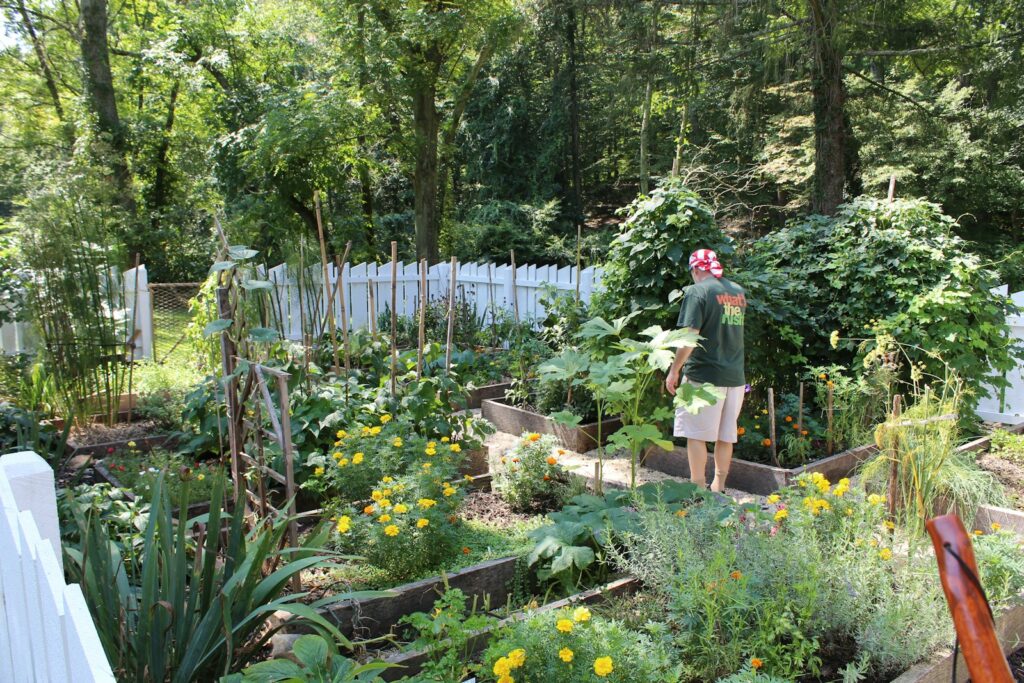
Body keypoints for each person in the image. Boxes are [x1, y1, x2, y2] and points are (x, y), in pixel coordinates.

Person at [665, 248, 747, 493]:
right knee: (726, 435)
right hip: (735, 377)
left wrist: (674, 370)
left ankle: (697, 489)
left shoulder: (697, 292)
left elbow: (690, 336)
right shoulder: (737, 292)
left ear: (697, 269)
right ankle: (718, 486)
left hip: (704, 375)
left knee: (695, 434)